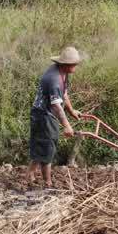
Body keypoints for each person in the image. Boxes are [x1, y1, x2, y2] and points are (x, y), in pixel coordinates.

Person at [29, 46, 84, 189]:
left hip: (45, 112)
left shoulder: (62, 73)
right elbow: (56, 106)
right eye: (74, 64)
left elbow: (64, 94)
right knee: (48, 148)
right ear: (66, 64)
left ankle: (30, 174)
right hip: (43, 115)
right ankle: (48, 183)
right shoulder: (54, 79)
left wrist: (72, 111)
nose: (76, 66)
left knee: (42, 145)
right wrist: (67, 125)